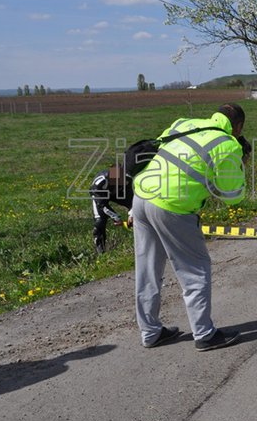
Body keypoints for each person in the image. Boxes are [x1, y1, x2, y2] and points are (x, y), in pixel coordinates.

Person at [131, 103, 247, 350]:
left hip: (141, 197)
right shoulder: (227, 144)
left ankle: (150, 332)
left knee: (147, 269)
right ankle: (204, 334)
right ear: (238, 127)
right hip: (172, 205)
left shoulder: (184, 123)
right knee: (195, 269)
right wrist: (241, 163)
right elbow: (232, 195)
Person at [89, 166, 133, 254]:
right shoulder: (99, 184)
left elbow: (133, 200)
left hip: (117, 193)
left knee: (135, 210)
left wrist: (132, 214)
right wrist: (116, 217)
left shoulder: (128, 179)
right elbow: (102, 205)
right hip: (100, 195)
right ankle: (100, 251)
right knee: (100, 221)